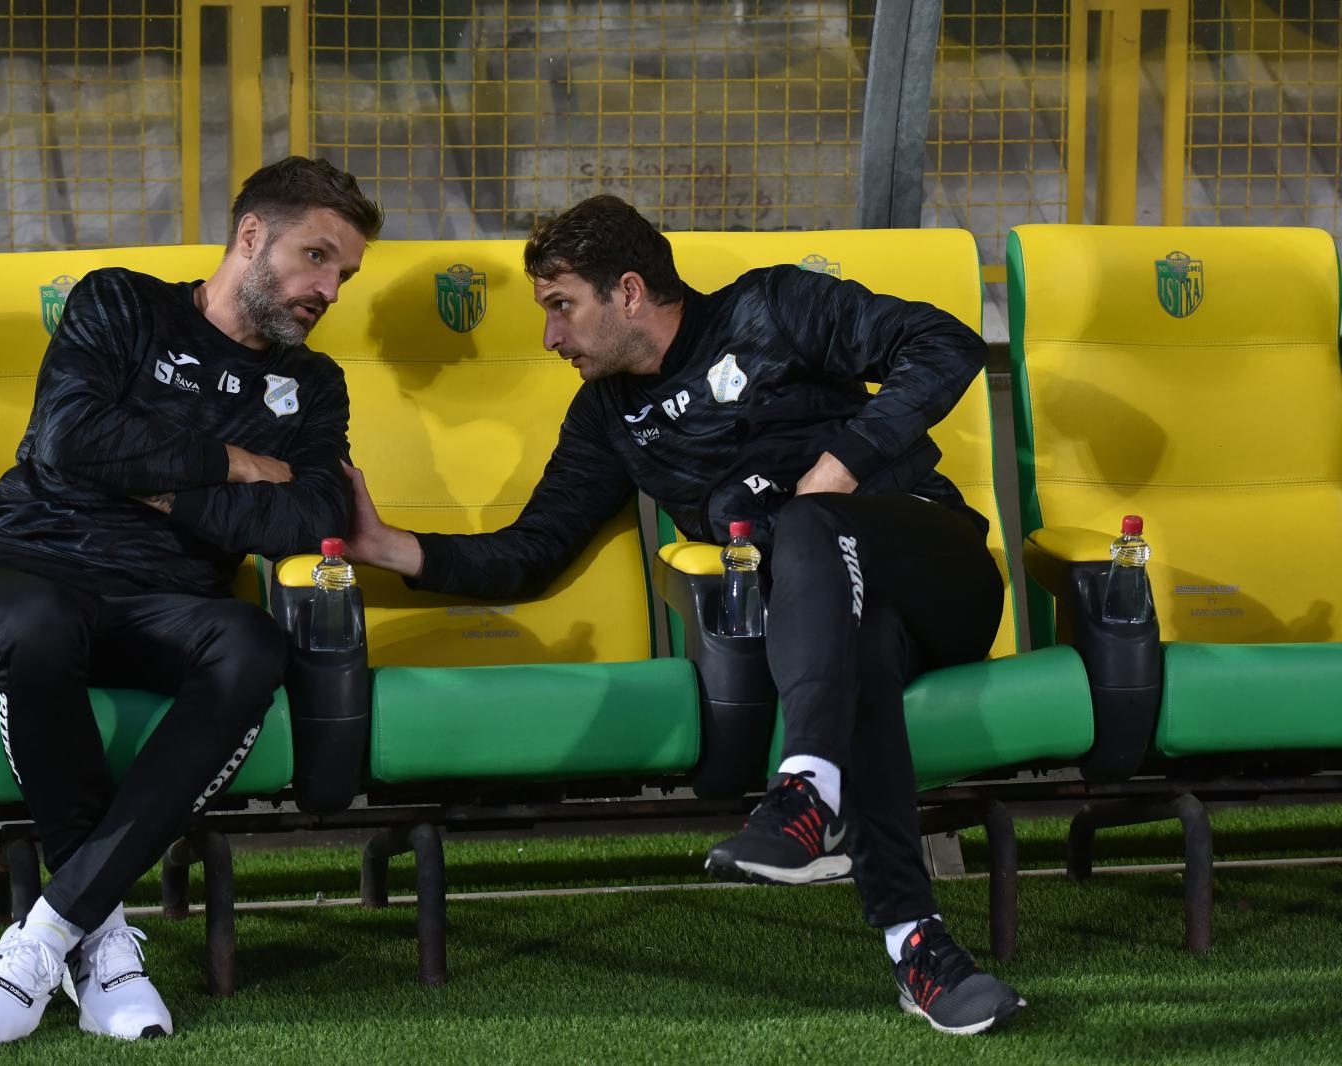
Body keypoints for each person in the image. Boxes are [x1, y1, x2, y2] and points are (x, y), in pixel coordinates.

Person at [343, 195, 1023, 1035]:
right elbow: (534, 549)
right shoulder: (608, 418)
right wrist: (392, 547)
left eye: (562, 307)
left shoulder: (772, 307)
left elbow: (945, 343)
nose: (551, 337)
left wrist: (838, 469)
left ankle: (806, 791)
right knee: (863, 658)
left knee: (810, 524)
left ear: (629, 292)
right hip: (837, 630)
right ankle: (918, 949)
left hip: (936, 569)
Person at [0, 156, 382, 1047]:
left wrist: (157, 487)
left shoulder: (315, 385)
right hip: (31, 563)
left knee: (252, 643)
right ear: (251, 236)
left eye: (344, 273)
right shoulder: (120, 303)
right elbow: (69, 438)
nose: (330, 290)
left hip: (169, 600)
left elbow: (312, 515)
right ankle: (104, 947)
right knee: (38, 626)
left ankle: (47, 939)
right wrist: (233, 463)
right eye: (317, 257)